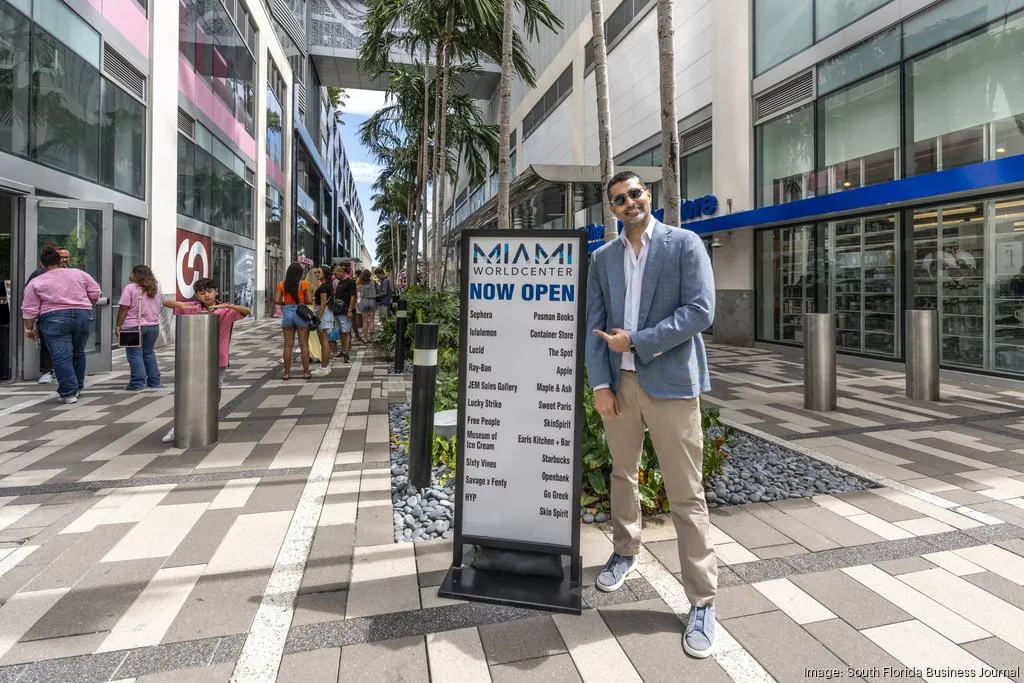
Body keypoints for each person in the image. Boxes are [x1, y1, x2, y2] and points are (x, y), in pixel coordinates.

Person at [585, 171, 717, 658]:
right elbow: (593, 325)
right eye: (619, 199)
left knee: (686, 494)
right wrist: (601, 384)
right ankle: (625, 550)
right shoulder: (602, 258)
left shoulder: (684, 244)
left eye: (635, 194)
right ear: (613, 209)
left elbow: (701, 310)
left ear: (649, 197)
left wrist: (638, 342)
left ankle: (702, 599)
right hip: (620, 385)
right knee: (623, 474)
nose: (629, 203)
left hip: (672, 386)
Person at [162, 278, 250, 443]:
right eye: (202, 293)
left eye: (210, 291)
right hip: (194, 358)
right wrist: (181, 305)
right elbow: (165, 303)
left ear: (216, 291)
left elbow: (247, 311)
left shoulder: (225, 311)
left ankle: (209, 416)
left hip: (219, 357)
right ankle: (179, 426)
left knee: (215, 388)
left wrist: (229, 306)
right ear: (197, 295)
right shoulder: (192, 308)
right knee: (190, 391)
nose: (207, 295)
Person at [21, 249, 101, 404]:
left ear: (42, 264)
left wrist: (29, 329)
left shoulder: (37, 281)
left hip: (53, 317)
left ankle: (68, 393)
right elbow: (95, 292)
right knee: (78, 353)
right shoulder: (78, 274)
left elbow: (29, 308)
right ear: (60, 261)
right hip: (82, 315)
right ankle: (77, 387)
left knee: (61, 356)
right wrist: (86, 306)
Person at [116, 265, 165, 391]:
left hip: (133, 326)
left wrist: (118, 325)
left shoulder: (130, 288)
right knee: (148, 353)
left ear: (137, 275)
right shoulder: (156, 289)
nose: (129, 275)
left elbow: (123, 308)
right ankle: (155, 381)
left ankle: (137, 383)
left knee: (134, 355)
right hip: (153, 326)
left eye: (132, 272)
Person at [26, 245, 57, 384]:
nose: (65, 260)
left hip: (52, 315)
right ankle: (48, 371)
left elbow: (28, 298)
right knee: (48, 344)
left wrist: (29, 327)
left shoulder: (72, 273)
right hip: (47, 315)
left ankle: (53, 372)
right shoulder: (38, 275)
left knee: (52, 344)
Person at [275, 262, 312, 380]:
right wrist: (302, 300)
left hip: (287, 313)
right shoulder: (305, 284)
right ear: (300, 273)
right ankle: (306, 372)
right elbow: (310, 300)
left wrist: (284, 303)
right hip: (301, 313)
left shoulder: (282, 284)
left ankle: (286, 373)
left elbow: (276, 300)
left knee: (287, 345)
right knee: (304, 345)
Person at [310, 265, 334, 377]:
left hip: (323, 313)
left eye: (318, 272)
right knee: (324, 341)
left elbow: (323, 303)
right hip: (325, 313)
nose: (316, 274)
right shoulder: (327, 285)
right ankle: (326, 366)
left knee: (324, 341)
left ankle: (324, 367)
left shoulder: (324, 287)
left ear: (325, 273)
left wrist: (318, 317)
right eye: (316, 272)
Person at [332, 264, 356, 363]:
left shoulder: (350, 282)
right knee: (341, 332)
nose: (334, 276)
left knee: (346, 332)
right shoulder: (339, 282)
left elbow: (353, 297)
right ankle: (343, 350)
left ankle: (346, 354)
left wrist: (350, 310)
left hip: (345, 311)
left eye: (335, 274)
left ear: (341, 272)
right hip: (337, 311)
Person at [357, 269, 378, 344]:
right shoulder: (373, 282)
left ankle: (365, 338)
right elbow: (377, 290)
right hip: (372, 301)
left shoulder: (361, 283)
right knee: (372, 321)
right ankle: (372, 339)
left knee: (364, 321)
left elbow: (355, 288)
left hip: (364, 301)